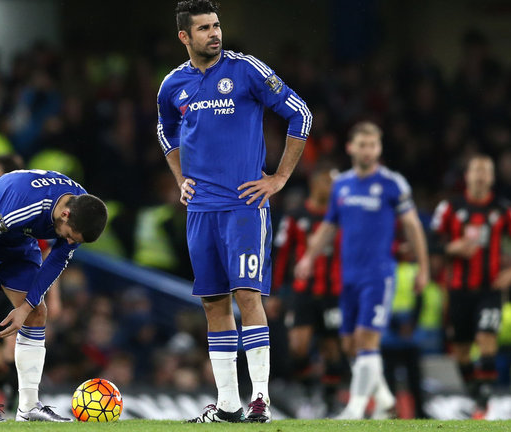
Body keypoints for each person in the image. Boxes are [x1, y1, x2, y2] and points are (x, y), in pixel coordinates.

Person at [157, 0, 311, 423]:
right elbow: (164, 130)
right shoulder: (173, 85)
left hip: (244, 205)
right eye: (204, 28)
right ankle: (227, 404)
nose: (215, 33)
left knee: (247, 296)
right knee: (213, 304)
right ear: (184, 36)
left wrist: (278, 179)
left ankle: (260, 399)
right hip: (200, 210)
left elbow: (301, 114)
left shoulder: (247, 70)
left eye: (217, 25)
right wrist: (179, 178)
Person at [295, 121, 429, 420]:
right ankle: (384, 400)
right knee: (349, 344)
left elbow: (412, 226)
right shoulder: (341, 185)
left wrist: (424, 267)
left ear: (379, 149)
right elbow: (329, 225)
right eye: (363, 144)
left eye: (373, 145)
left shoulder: (393, 183)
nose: (368, 150)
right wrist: (308, 257)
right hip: (348, 276)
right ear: (350, 147)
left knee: (367, 340)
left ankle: (354, 410)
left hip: (378, 275)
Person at [0, 169, 107, 422]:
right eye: (68, 235)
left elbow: (56, 262)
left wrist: (24, 308)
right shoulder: (24, 204)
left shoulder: (82, 211)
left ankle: (28, 407)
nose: (68, 241)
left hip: (17, 239)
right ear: (64, 214)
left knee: (37, 313)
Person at [430, 154, 511, 419]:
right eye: (476, 171)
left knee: (486, 337)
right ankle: (476, 393)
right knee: (460, 351)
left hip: (490, 289)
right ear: (467, 176)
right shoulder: (450, 208)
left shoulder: (504, 209)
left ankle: (484, 398)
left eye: (486, 171)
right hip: (458, 291)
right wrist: (451, 247)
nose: (481, 176)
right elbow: (431, 242)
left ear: (492, 177)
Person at [273, 165, 346, 413]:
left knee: (332, 348)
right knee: (298, 346)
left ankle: (329, 399)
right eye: (329, 182)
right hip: (301, 291)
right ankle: (306, 391)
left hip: (333, 292)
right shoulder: (295, 216)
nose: (333, 188)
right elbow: (282, 256)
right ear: (315, 183)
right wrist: (275, 292)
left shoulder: (342, 216)